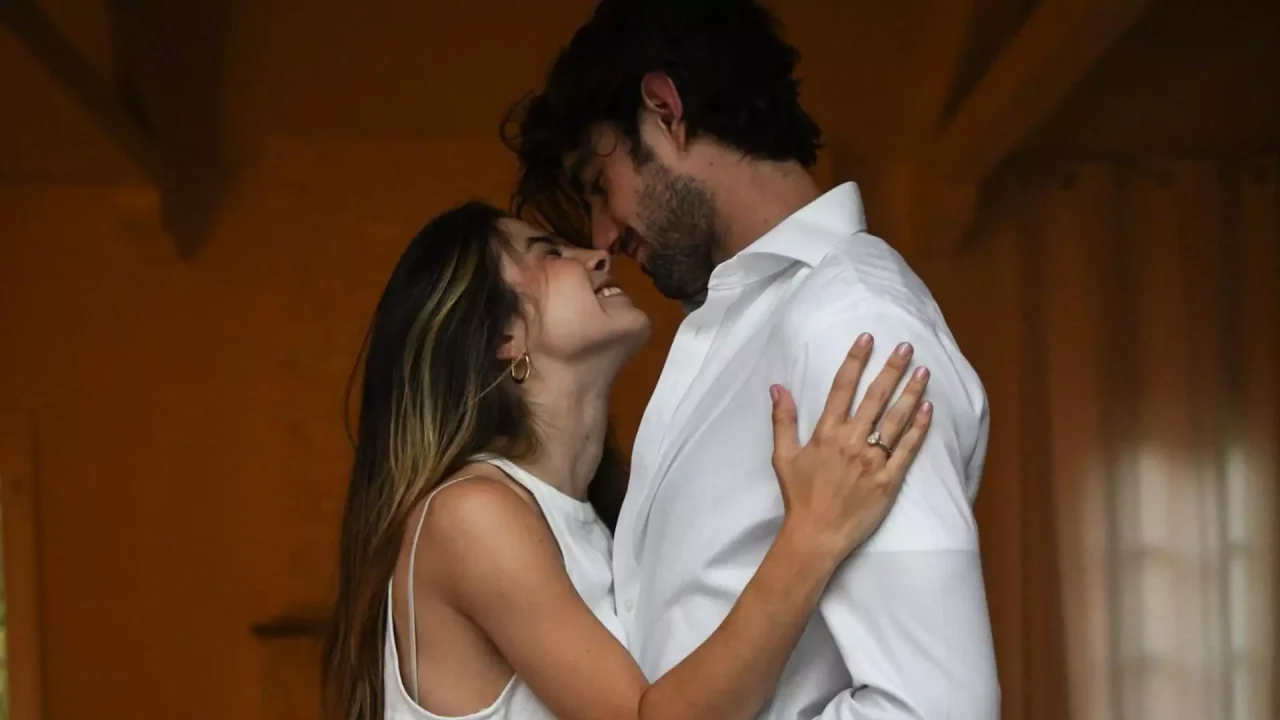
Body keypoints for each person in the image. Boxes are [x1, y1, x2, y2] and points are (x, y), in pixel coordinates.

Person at [505, 1, 1000, 717]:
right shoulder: (749, 327)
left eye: (598, 185)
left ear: (665, 111)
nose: (602, 235)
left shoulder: (851, 323)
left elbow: (935, 709)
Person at [321, 201, 934, 720]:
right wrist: (812, 536)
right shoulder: (470, 515)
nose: (597, 256)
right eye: (548, 254)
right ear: (503, 336)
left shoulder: (598, 522)